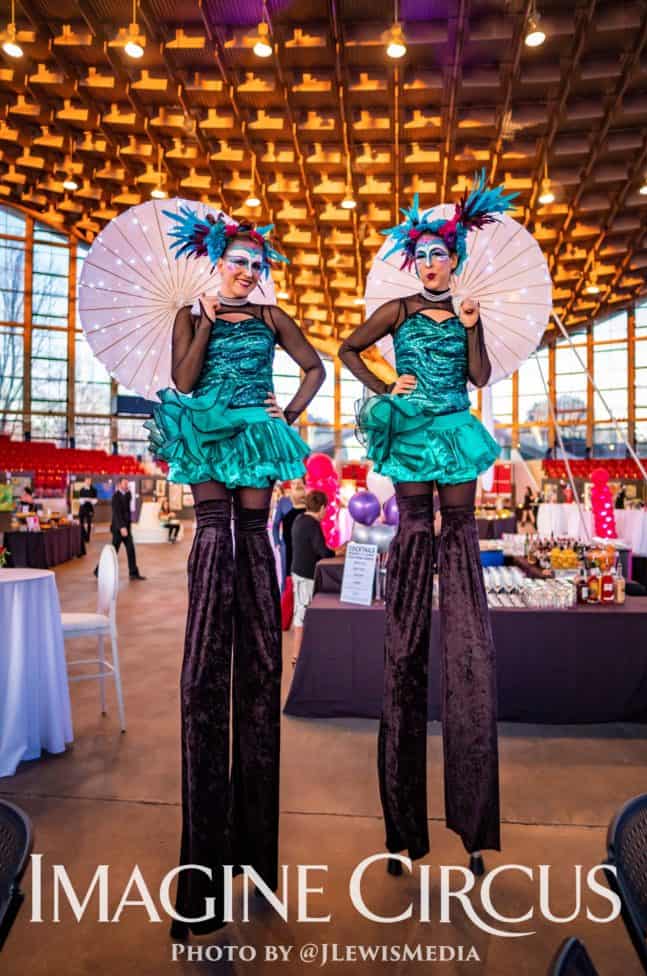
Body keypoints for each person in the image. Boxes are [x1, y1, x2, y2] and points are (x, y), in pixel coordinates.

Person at [144, 208, 325, 937]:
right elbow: (182, 381)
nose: (247, 271)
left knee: (252, 537)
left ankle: (253, 857)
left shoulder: (275, 316)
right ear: (216, 263)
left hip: (255, 427)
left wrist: (293, 408)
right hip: (206, 428)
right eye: (237, 261)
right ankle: (204, 871)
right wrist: (209, 320)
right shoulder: (194, 313)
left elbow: (313, 365)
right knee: (215, 534)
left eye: (256, 262)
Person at [339, 172, 517, 876]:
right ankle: (402, 830)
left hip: (456, 433)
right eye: (423, 256)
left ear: (456, 259)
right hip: (411, 430)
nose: (432, 263)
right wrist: (388, 386)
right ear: (412, 263)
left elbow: (477, 378)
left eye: (441, 253)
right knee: (414, 547)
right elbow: (348, 348)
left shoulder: (470, 309)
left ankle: (473, 822)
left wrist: (474, 327)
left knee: (461, 549)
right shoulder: (398, 308)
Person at [290, 489, 335, 667]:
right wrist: (338, 551)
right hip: (305, 575)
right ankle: (296, 656)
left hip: (298, 572)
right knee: (301, 615)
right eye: (326, 509)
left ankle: (298, 654)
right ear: (322, 507)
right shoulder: (312, 524)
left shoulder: (300, 519)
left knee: (301, 612)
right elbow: (322, 551)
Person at [109, 478, 146, 580]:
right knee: (113, 551)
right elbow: (117, 514)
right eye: (125, 484)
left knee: (131, 550)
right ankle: (99, 571)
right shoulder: (115, 497)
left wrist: (127, 527)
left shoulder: (128, 494)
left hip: (127, 528)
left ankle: (133, 573)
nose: (127, 485)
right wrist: (122, 527)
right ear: (119, 484)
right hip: (118, 528)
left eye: (127, 484)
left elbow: (126, 511)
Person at [273, 477, 307, 586]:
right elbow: (276, 524)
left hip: (303, 546)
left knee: (303, 576)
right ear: (290, 486)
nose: (296, 485)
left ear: (304, 485)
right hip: (286, 546)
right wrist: (277, 542)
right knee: (286, 577)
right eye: (294, 483)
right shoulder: (283, 502)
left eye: (299, 483)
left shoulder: (308, 501)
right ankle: (285, 601)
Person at [78, 476, 98, 543]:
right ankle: (84, 535)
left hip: (89, 508)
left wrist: (90, 500)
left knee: (89, 523)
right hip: (82, 508)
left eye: (89, 481)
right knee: (81, 524)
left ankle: (88, 537)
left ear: (91, 482)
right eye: (87, 481)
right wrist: (83, 500)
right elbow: (80, 500)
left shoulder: (94, 490)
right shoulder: (81, 490)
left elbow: (95, 500)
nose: (88, 482)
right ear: (85, 481)